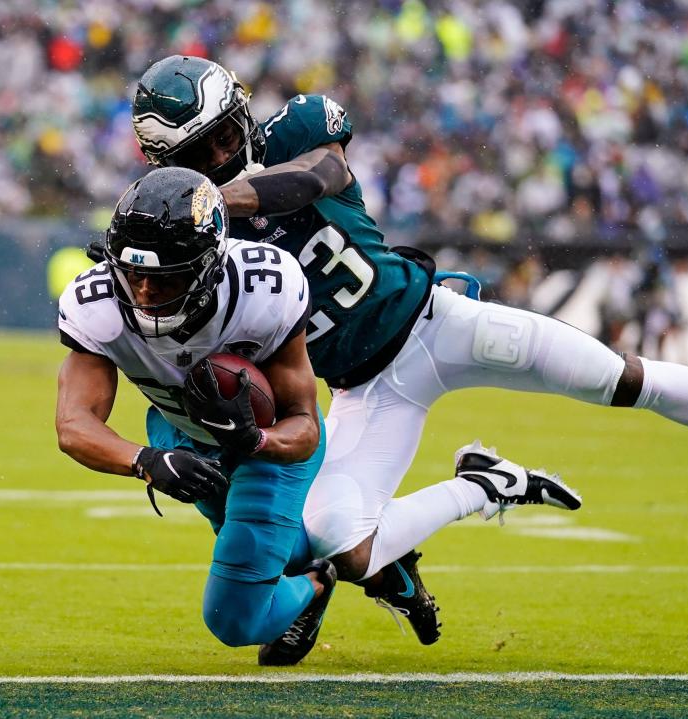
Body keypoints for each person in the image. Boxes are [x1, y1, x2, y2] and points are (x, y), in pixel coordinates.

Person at [129, 54, 688, 652]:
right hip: (366, 390)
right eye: (211, 146)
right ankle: (486, 486)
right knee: (343, 545)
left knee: (618, 376)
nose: (230, 148)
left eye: (232, 129)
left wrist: (223, 198)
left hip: (438, 322)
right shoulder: (185, 233)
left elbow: (326, 171)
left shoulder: (290, 135)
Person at [64, 167, 580, 666]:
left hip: (266, 444)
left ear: (207, 265)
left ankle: (322, 583)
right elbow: (74, 425)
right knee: (283, 553)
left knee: (234, 618)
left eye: (165, 277)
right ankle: (379, 569)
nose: (145, 292)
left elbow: (305, 428)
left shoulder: (265, 289)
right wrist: (146, 460)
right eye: (132, 274)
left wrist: (252, 440)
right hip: (181, 434)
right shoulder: (98, 302)